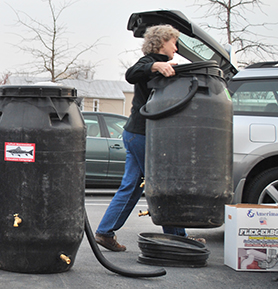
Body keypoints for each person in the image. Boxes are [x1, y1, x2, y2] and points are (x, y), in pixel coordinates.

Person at [94, 24, 203, 252]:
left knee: (131, 186)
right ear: (162, 41)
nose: (177, 47)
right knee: (165, 184)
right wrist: (156, 65)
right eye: (174, 42)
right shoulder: (148, 63)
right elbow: (131, 73)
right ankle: (178, 237)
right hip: (143, 135)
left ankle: (105, 231)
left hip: (136, 134)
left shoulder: (165, 67)